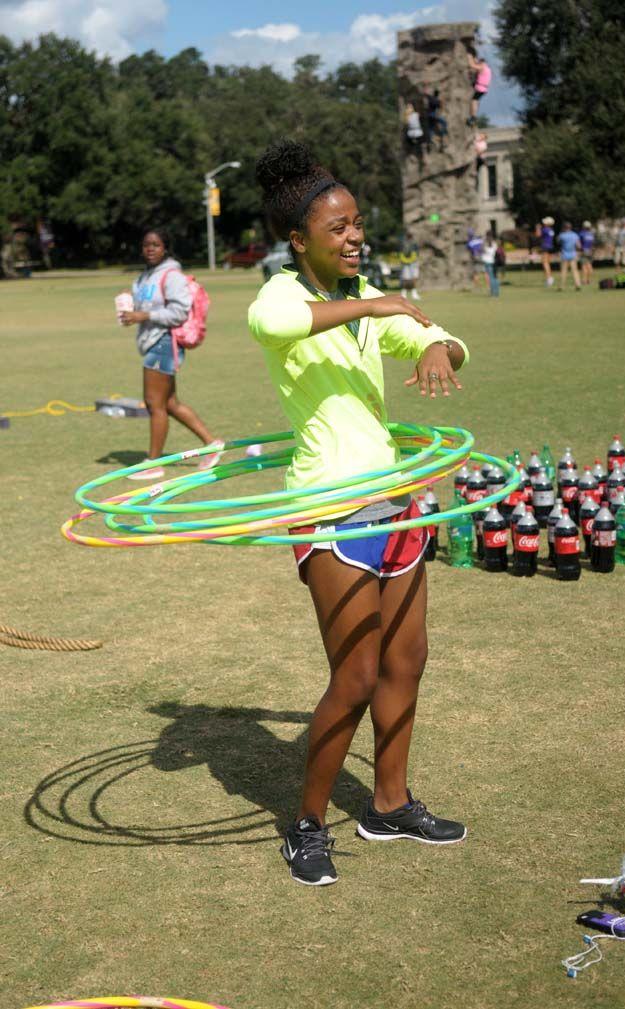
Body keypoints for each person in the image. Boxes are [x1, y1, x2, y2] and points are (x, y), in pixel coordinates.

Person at [248, 140, 469, 886]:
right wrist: (377, 302)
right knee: (357, 671)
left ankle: (389, 801)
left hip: (396, 504)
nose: (353, 237)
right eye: (337, 228)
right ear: (298, 239)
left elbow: (434, 332)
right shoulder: (283, 294)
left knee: (409, 658)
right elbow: (276, 327)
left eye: (357, 224)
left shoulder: (369, 302)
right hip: (332, 508)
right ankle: (306, 825)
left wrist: (440, 346)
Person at [120, 228, 223, 480]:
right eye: (146, 245)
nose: (150, 249)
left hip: (164, 343)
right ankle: (212, 445)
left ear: (165, 247)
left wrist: (144, 315)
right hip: (150, 340)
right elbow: (145, 308)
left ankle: (154, 463)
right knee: (169, 403)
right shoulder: (143, 278)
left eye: (155, 245)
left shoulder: (172, 276)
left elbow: (179, 312)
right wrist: (130, 313)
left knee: (154, 403)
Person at [467, 53, 491, 125]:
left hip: (480, 88)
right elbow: (476, 66)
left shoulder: (482, 67)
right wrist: (475, 60)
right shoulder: (487, 68)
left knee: (473, 100)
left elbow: (472, 65)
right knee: (476, 101)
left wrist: (469, 57)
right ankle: (474, 115)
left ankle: (473, 117)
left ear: (481, 62)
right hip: (484, 88)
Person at [557, 221, 582, 291]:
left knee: (563, 271)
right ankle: (578, 285)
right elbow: (579, 245)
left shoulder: (562, 235)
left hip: (564, 255)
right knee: (575, 270)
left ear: (564, 228)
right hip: (573, 255)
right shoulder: (575, 235)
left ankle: (561, 286)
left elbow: (558, 242)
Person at [399, 232, 421, 300]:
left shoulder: (412, 243)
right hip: (409, 263)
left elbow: (416, 253)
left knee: (410, 278)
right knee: (408, 278)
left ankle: (412, 293)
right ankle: (405, 293)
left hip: (410, 263)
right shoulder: (405, 243)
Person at [425, 87, 448, 152]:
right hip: (434, 116)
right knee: (444, 122)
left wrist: (425, 86)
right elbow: (441, 107)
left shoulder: (430, 97)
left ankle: (430, 140)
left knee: (431, 128)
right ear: (438, 94)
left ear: (433, 93)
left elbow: (426, 94)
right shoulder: (437, 101)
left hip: (429, 115)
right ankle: (443, 134)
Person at [480, 232, 500, 296]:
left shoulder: (484, 244)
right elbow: (495, 251)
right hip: (493, 262)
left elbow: (482, 251)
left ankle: (493, 292)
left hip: (487, 262)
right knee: (495, 277)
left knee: (491, 278)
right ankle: (496, 292)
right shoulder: (494, 244)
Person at [539, 217, 555, 286]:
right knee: (548, 263)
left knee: (545, 263)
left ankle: (549, 278)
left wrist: (538, 228)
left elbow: (538, 235)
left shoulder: (545, 229)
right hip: (550, 247)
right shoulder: (551, 230)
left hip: (545, 247)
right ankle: (549, 277)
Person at [579, 220, 595, 285]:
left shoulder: (582, 233)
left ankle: (584, 280)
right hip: (590, 251)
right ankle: (589, 280)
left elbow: (579, 243)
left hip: (584, 251)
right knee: (589, 265)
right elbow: (592, 244)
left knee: (584, 266)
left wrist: (579, 250)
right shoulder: (591, 234)